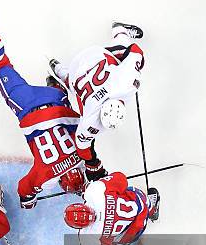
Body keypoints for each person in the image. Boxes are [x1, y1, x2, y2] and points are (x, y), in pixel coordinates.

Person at [0, 0, 87, 209]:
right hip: (27, 105)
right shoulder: (45, 177)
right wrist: (28, 201)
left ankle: (56, 86)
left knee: (77, 120)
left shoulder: (83, 155)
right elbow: (24, 188)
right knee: (0, 67)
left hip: (56, 101)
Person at [50, 23, 145, 181]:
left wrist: (137, 66)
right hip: (86, 62)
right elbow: (82, 146)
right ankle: (118, 30)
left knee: (121, 52)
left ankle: (119, 31)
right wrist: (92, 165)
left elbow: (136, 51)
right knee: (77, 86)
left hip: (85, 62)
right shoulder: (124, 84)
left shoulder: (126, 83)